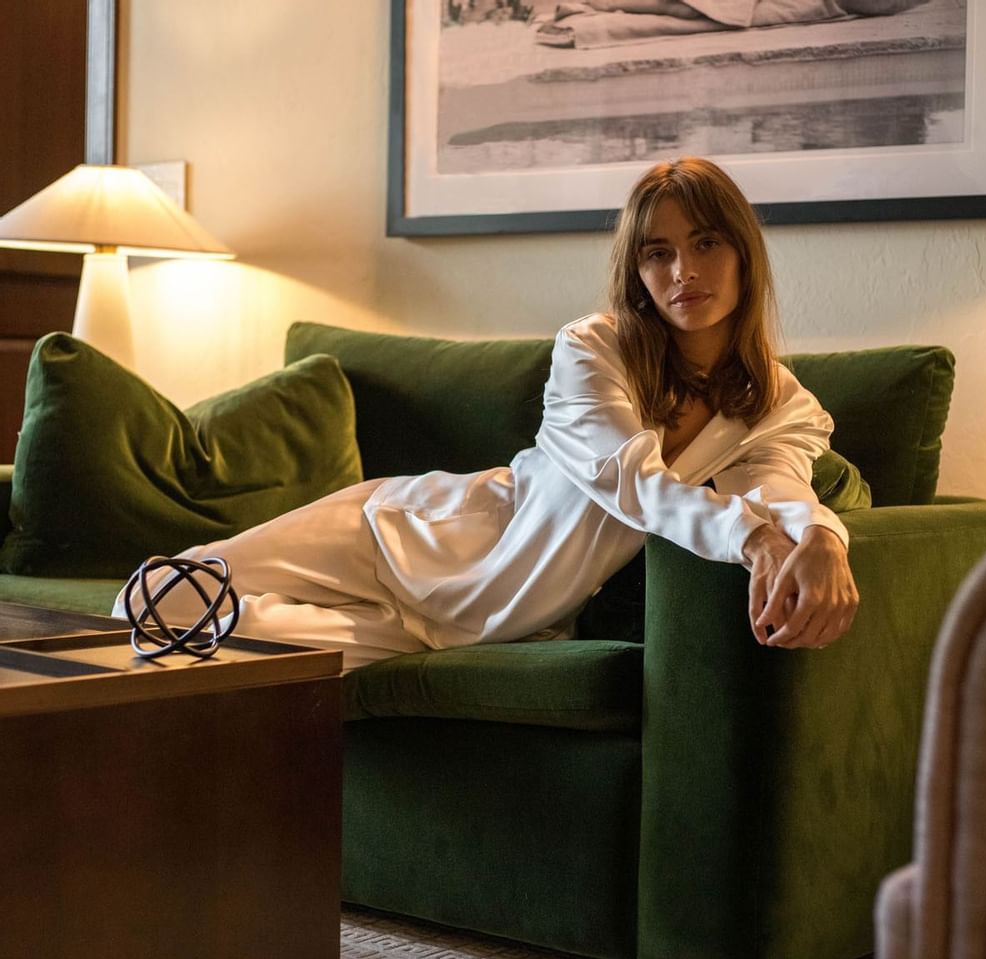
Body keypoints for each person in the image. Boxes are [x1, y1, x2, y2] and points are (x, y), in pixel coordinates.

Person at [113, 157, 859, 670]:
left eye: (705, 243)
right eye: (658, 253)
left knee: (196, 636)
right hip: (416, 534)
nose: (683, 272)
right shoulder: (593, 349)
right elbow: (633, 482)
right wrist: (754, 539)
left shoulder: (781, 402)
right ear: (637, 272)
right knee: (148, 603)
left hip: (484, 622)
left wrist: (822, 537)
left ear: (743, 253)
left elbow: (783, 484)